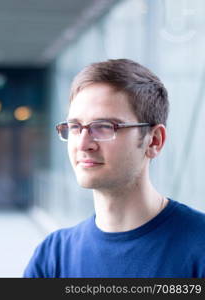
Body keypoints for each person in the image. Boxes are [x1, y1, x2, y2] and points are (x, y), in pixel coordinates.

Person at [24, 59, 205, 278]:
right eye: (74, 127)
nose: (82, 144)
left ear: (154, 140)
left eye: (103, 127)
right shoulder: (53, 256)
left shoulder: (198, 247)